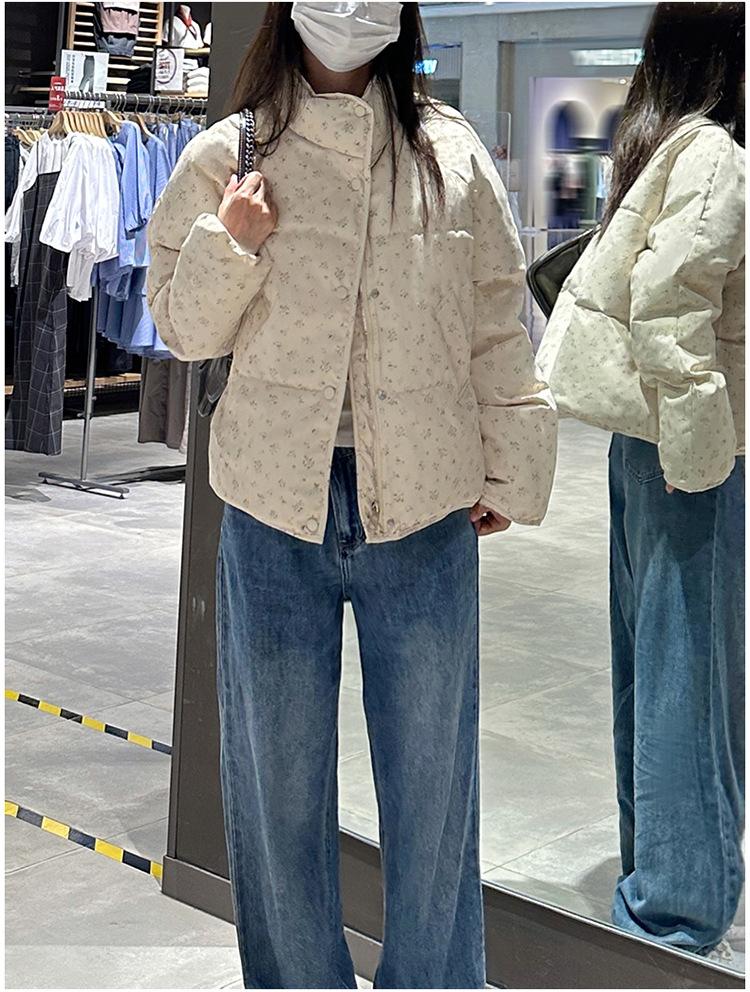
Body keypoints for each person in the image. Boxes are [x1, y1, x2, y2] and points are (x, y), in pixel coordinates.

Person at [147, 2, 557, 987]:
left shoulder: (449, 153)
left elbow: (496, 319)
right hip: (272, 505)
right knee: (276, 789)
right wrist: (230, 240)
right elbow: (180, 328)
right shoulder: (230, 152)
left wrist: (512, 461)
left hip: (423, 500)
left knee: (433, 790)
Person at [537, 1, 744, 963]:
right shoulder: (715, 153)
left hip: (650, 445)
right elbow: (670, 311)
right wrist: (703, 456)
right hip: (689, 449)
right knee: (688, 673)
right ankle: (678, 903)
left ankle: (661, 882)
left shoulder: (666, 144)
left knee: (661, 665)